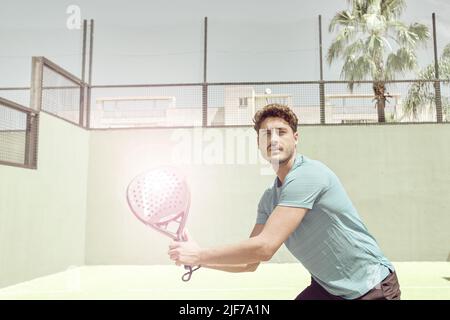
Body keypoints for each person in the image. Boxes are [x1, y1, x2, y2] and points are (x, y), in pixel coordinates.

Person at [168, 104, 401, 300]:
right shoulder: (269, 200)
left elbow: (265, 247)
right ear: (259, 144)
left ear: (296, 138)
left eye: (281, 131)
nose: (273, 138)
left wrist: (199, 255)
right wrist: (198, 259)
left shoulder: (309, 174)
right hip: (329, 289)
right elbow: (251, 262)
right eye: (266, 134)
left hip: (372, 287)